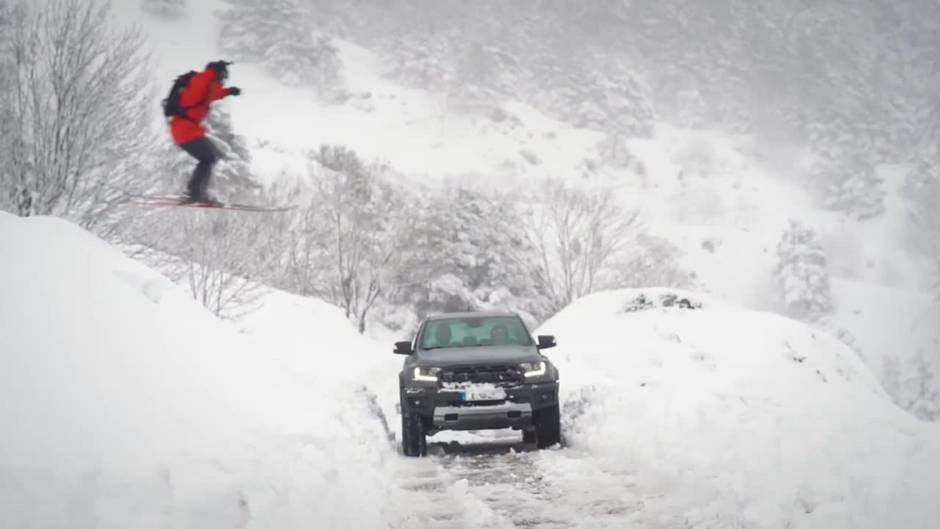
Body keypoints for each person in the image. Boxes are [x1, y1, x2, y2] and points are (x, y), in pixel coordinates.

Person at [169, 60, 241, 203]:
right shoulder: (206, 81)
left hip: (185, 129)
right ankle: (195, 193)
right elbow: (213, 92)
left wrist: (229, 91)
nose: (223, 80)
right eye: (224, 76)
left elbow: (210, 94)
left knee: (213, 155)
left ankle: (198, 191)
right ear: (219, 73)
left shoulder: (202, 81)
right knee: (208, 158)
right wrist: (229, 91)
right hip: (186, 131)